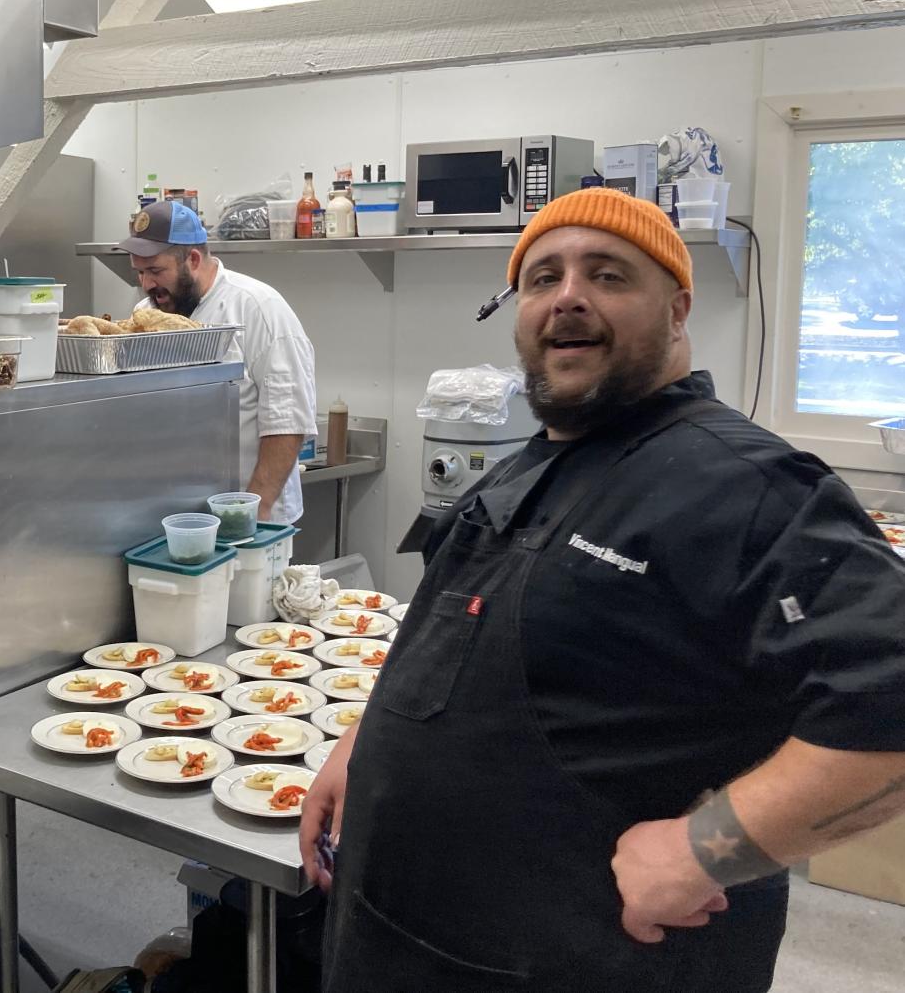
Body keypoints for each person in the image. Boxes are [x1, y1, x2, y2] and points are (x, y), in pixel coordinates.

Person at [301, 186, 905, 993]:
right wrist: (362, 743)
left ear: (679, 310)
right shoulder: (528, 466)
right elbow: (453, 643)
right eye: (542, 278)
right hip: (404, 939)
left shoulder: (744, 485)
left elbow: (888, 698)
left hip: (577, 959)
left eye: (610, 275)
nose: (568, 298)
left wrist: (706, 850)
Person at [117, 200, 316, 524]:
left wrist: (254, 513)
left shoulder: (258, 309)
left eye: (155, 271)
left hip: (251, 514)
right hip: (176, 515)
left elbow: (287, 421)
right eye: (140, 272)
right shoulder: (147, 314)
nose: (147, 285)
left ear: (192, 260)